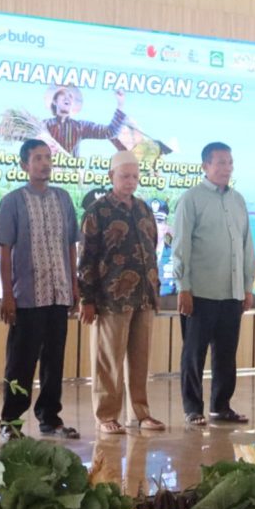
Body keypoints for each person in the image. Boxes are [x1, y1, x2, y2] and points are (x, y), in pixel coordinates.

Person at [0, 139, 81, 439]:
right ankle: (10, 422)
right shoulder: (13, 201)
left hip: (59, 294)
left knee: (54, 362)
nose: (44, 163)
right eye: (37, 158)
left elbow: (70, 244)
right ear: (24, 165)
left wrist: (74, 284)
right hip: (27, 298)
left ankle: (50, 418)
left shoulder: (63, 198)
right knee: (20, 363)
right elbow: (4, 250)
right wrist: (7, 295)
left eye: (47, 157)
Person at [78, 150, 166, 434]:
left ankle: (140, 414)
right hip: (111, 299)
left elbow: (152, 248)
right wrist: (86, 299)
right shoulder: (98, 211)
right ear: (111, 176)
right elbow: (86, 258)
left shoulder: (143, 209)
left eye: (135, 177)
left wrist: (154, 289)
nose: (130, 181)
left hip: (143, 296)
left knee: (140, 360)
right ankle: (106, 415)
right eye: (125, 176)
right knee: (108, 361)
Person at [173, 141, 255, 426]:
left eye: (230, 162)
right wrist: (183, 287)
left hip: (232, 292)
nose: (226, 168)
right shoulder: (191, 199)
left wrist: (247, 286)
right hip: (200, 292)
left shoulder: (238, 200)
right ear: (205, 166)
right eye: (220, 162)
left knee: (226, 355)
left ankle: (221, 406)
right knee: (193, 354)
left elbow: (246, 245)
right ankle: (192, 408)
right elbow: (181, 245)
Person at [44, 85, 126, 157]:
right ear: (54, 101)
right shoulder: (44, 125)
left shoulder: (80, 126)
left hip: (71, 170)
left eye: (70, 96)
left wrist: (120, 104)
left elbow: (111, 132)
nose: (67, 97)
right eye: (63, 94)